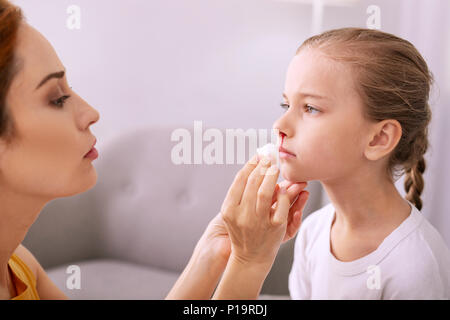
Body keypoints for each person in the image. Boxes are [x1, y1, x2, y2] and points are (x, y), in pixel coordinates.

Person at [0, 0, 309, 300]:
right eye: (56, 98)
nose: (91, 112)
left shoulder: (17, 266)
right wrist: (250, 263)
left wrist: (215, 249)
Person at [280, 28, 450, 299]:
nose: (280, 125)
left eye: (310, 108)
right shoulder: (313, 230)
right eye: (285, 105)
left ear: (379, 138)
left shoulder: (415, 268)